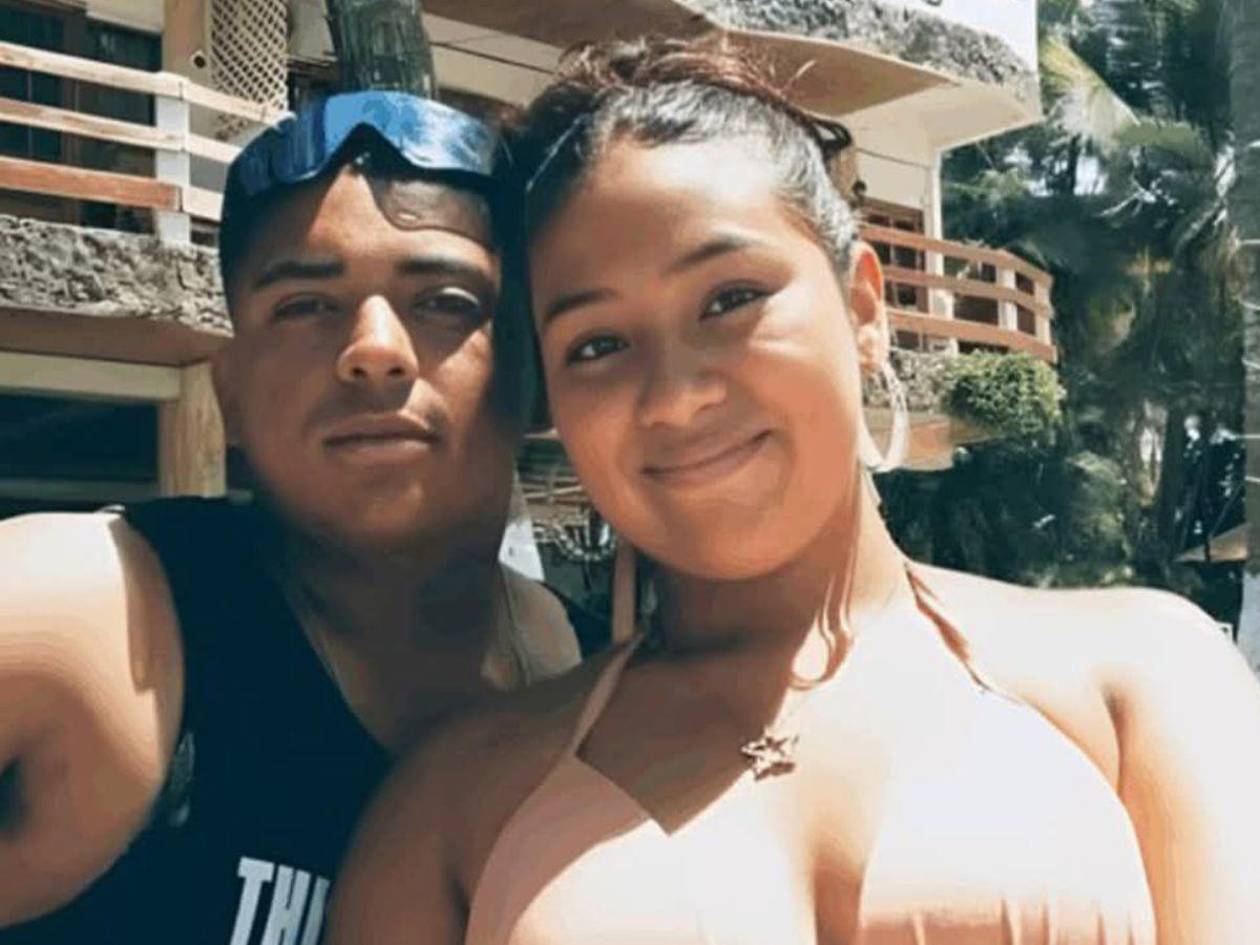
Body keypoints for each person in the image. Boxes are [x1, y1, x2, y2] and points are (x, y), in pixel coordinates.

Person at [327, 38, 1260, 945]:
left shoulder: (1141, 682)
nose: (676, 396)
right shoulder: (454, 803)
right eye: (598, 345)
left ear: (862, 308)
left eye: (729, 299)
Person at [0, 91, 597, 945]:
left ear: (534, 380)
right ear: (232, 395)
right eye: (304, 305)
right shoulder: (101, 617)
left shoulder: (614, 689)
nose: (374, 349)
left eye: (444, 300)